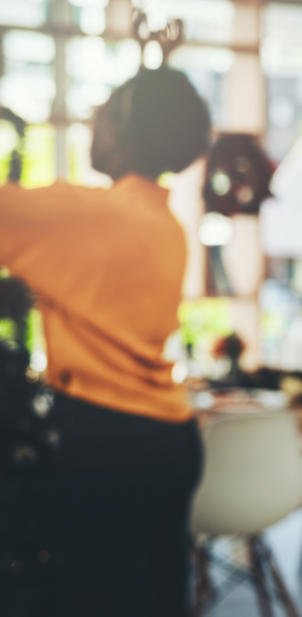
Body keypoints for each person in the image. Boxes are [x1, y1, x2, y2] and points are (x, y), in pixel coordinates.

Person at [0, 66, 210, 617]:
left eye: (106, 109)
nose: (93, 120)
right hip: (169, 440)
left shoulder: (85, 215)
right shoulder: (166, 226)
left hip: (103, 443)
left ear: (127, 129)